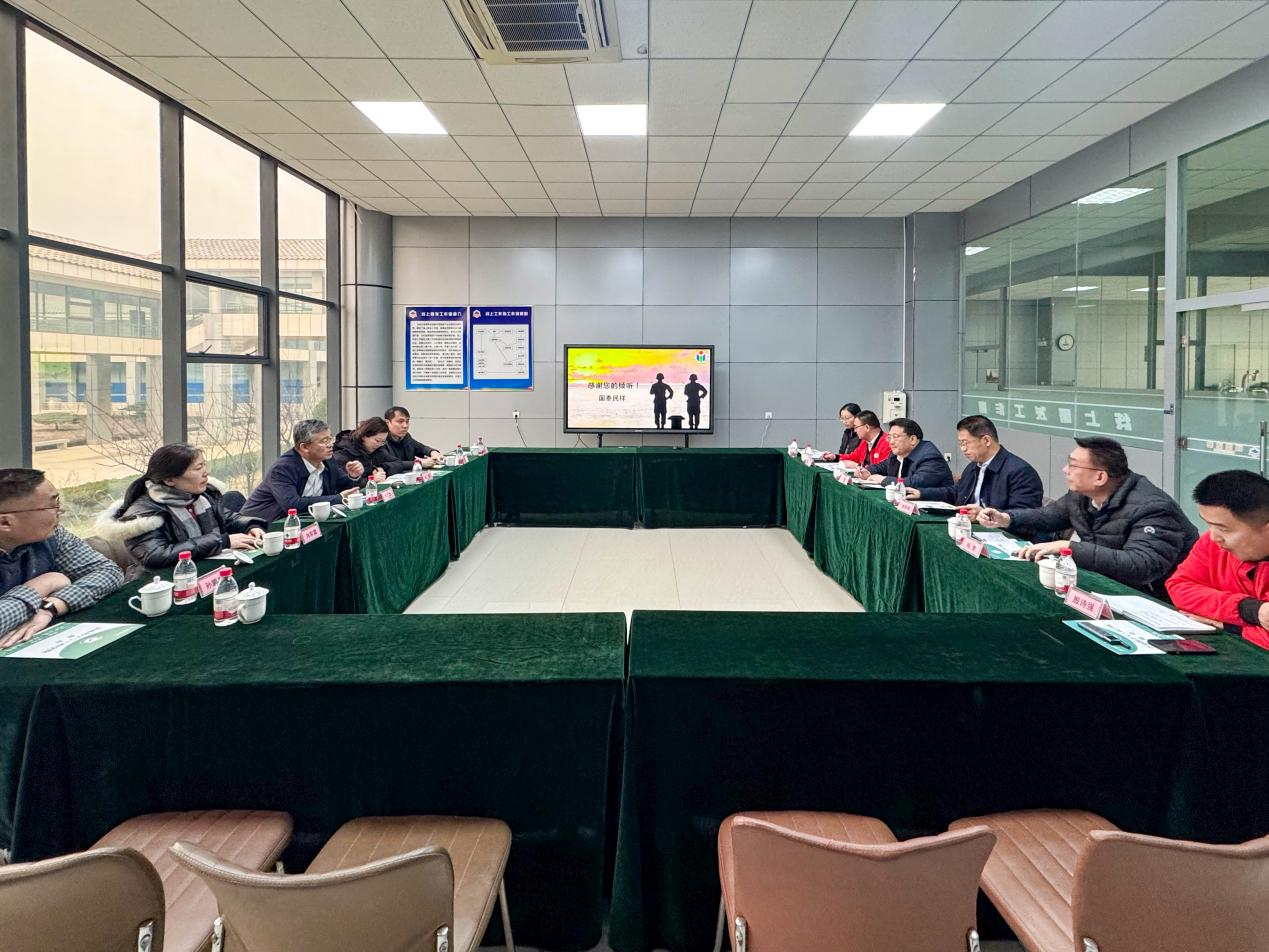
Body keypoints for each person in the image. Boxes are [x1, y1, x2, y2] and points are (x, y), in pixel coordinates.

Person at [978, 437, 1198, 598]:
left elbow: (1141, 566)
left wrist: (1068, 548)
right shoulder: (1081, 496)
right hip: (1108, 586)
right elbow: (1048, 516)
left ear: (1100, 477)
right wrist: (1006, 518)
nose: (1065, 470)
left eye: (1073, 465)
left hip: (1157, 600)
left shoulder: (1153, 508)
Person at [0, 468, 124, 648]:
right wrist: (42, 585)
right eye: (52, 506)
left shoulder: (52, 536)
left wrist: (50, 607)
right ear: (5, 522)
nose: (61, 511)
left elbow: (108, 572)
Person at [96, 444, 264, 569]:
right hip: (163, 583)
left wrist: (250, 526)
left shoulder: (201, 495)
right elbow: (156, 556)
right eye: (198, 468)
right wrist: (222, 541)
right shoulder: (143, 516)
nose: (206, 473)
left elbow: (224, 517)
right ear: (170, 480)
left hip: (206, 569)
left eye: (204, 465)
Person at [1166, 470, 1269, 649]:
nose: (1214, 537)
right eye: (1208, 524)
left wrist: (1231, 627)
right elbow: (1179, 587)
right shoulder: (1212, 543)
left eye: (1224, 529)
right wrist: (1249, 610)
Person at [906, 415, 1044, 511]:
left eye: (965, 443)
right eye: (960, 444)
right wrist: (922, 493)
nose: (963, 449)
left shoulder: (1020, 472)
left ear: (986, 440)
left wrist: (983, 515)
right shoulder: (973, 466)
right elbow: (957, 492)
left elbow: (1023, 517)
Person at [240, 419, 364, 524]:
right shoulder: (283, 468)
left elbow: (341, 485)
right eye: (324, 441)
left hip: (300, 523)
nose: (330, 445)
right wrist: (338, 498)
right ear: (304, 447)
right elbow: (292, 504)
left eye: (330, 439)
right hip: (261, 526)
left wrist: (352, 476)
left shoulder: (327, 459)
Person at [860, 418, 953, 490]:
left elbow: (915, 483)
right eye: (889, 437)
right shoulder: (897, 453)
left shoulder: (930, 457)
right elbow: (884, 466)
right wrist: (868, 471)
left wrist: (883, 480)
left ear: (912, 439)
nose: (891, 442)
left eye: (895, 437)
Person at [331, 418, 391, 488]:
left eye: (383, 442)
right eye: (377, 440)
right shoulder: (342, 454)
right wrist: (371, 480)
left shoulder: (377, 449)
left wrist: (380, 468)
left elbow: (397, 463)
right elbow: (343, 484)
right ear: (364, 436)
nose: (379, 445)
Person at [382, 406, 441, 474]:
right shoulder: (381, 440)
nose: (405, 426)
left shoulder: (405, 436)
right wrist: (418, 463)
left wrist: (433, 453)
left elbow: (421, 448)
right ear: (387, 423)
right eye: (400, 421)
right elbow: (390, 464)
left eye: (407, 421)